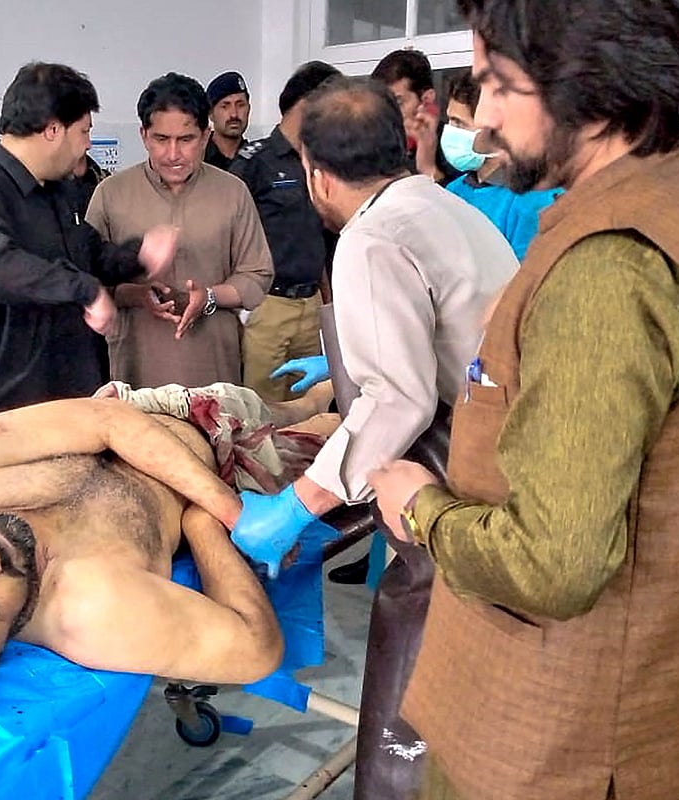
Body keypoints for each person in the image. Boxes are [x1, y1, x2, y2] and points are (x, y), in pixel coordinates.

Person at [367, 0, 679, 797]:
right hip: (661, 706)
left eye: (500, 85)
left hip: (556, 745)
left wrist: (422, 508)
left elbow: (556, 562)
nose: (484, 120)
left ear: (591, 79)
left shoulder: (612, 267)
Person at [0, 391, 338, 741]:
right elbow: (255, 650)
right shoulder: (94, 614)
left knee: (288, 403)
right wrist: (203, 527)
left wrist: (227, 514)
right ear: (1, 644)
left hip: (163, 406)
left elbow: (108, 421)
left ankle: (308, 405)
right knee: (341, 432)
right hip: (235, 462)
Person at [231, 76, 517, 579]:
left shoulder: (371, 238)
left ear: (315, 174)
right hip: (513, 439)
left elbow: (398, 402)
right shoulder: (438, 204)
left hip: (477, 469)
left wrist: (297, 505)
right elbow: (444, 326)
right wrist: (342, 359)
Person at [0, 62, 179, 430]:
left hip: (72, 390)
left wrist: (139, 255)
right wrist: (84, 290)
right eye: (83, 131)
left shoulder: (58, 189)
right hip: (9, 410)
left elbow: (89, 253)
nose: (87, 143)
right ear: (53, 129)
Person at [85, 72, 273, 388]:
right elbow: (86, 279)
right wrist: (136, 295)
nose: (173, 154)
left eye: (186, 140)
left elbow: (257, 274)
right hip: (137, 370)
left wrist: (209, 297)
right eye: (161, 139)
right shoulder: (110, 193)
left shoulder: (232, 192)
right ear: (143, 135)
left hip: (212, 369)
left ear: (205, 136)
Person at [231, 60, 341, 401]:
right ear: (308, 104)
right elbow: (229, 233)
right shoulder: (255, 162)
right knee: (261, 408)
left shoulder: (321, 161)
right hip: (268, 305)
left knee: (311, 404)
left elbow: (317, 238)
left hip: (310, 305)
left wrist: (328, 301)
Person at [440, 68, 561, 260]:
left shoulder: (533, 197)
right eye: (449, 120)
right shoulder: (453, 191)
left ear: (493, 124)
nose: (450, 131)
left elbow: (524, 277)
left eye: (459, 123)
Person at [371, 49, 458, 185]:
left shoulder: (454, 147)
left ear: (427, 99)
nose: (386, 113)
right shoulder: (376, 147)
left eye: (397, 103)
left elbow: (462, 204)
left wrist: (429, 168)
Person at [204, 70, 251, 170]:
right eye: (225, 106)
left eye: (240, 105)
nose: (234, 114)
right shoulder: (198, 156)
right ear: (211, 113)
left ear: (249, 109)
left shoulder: (258, 160)